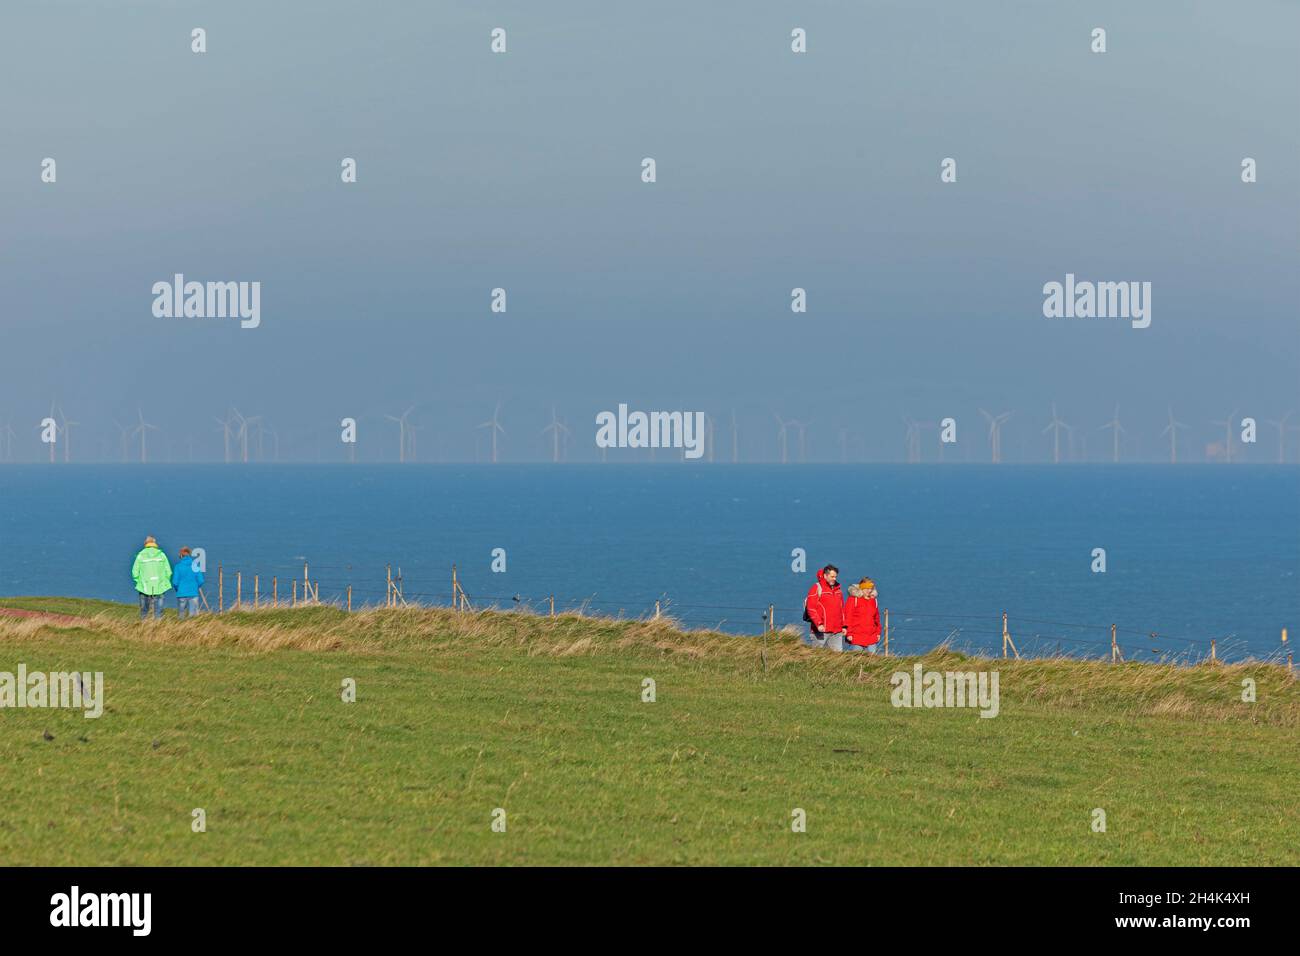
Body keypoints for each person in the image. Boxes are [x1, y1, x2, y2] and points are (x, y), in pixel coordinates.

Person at [803, 564, 846, 650]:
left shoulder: (838, 590)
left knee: (837, 658)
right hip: (820, 630)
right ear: (825, 575)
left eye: (836, 577)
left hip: (837, 630)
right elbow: (811, 608)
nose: (835, 579)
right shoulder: (816, 588)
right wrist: (819, 624)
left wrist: (844, 626)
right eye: (832, 576)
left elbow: (842, 609)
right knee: (817, 656)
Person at [131, 536, 172, 620]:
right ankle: (158, 629)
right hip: (159, 587)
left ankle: (144, 629)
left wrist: (139, 581)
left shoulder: (141, 555)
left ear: (145, 543)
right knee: (159, 612)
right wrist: (164, 581)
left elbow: (134, 573)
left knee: (144, 612)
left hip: (144, 587)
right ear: (154, 543)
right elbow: (169, 572)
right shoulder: (161, 555)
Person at [844, 577, 881, 654]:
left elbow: (876, 619)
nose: (869, 590)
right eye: (866, 588)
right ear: (861, 587)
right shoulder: (854, 599)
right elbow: (848, 617)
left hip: (871, 637)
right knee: (856, 661)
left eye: (870, 588)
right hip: (856, 637)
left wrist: (878, 633)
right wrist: (849, 633)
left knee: (872, 661)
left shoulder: (874, 600)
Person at [171, 546, 204, 619]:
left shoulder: (178, 566)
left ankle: (181, 628)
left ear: (181, 555)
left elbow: (175, 582)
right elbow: (201, 580)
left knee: (181, 615)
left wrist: (177, 589)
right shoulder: (195, 566)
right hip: (193, 593)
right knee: (193, 616)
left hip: (181, 593)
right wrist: (196, 587)